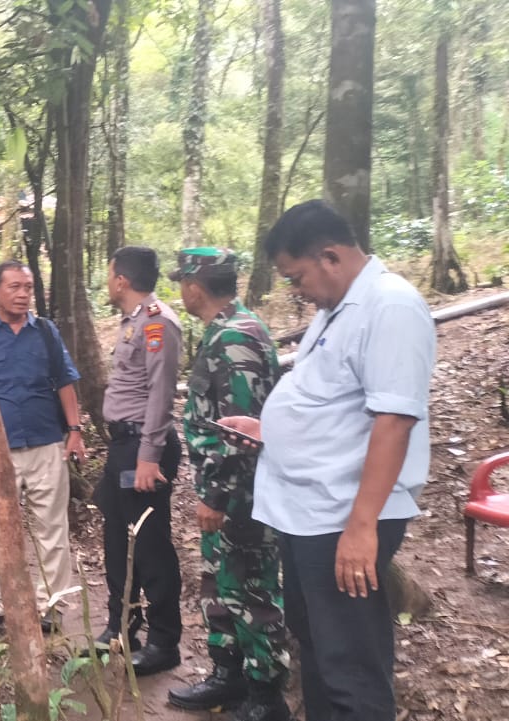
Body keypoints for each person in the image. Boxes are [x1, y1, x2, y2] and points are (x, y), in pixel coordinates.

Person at [220, 200, 437, 721]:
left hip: (345, 516)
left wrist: (362, 529)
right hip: (308, 513)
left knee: (350, 661)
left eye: (297, 276)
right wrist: (268, 430)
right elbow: (330, 403)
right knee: (315, 643)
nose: (296, 289)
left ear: (331, 256)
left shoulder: (390, 307)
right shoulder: (335, 310)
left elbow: (394, 422)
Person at [166, 248, 290, 721]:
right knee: (222, 583)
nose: (181, 289)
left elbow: (242, 430)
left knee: (252, 591)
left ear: (195, 287)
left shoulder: (236, 338)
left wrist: (216, 494)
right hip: (228, 490)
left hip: (244, 494)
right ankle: (229, 675)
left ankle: (266, 697)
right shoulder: (224, 331)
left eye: (183, 282)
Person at [0, 260, 86, 634]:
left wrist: (75, 430)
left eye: (28, 287)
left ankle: (50, 606)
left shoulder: (47, 334)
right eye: (14, 287)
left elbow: (65, 383)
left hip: (46, 443)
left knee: (51, 528)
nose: (23, 294)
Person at [95, 246, 183, 675]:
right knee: (116, 539)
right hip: (122, 446)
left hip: (145, 448)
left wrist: (149, 458)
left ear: (121, 280)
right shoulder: (132, 321)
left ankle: (165, 642)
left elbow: (162, 395)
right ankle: (122, 626)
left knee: (149, 546)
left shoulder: (156, 323)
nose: (107, 281)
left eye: (109, 273)